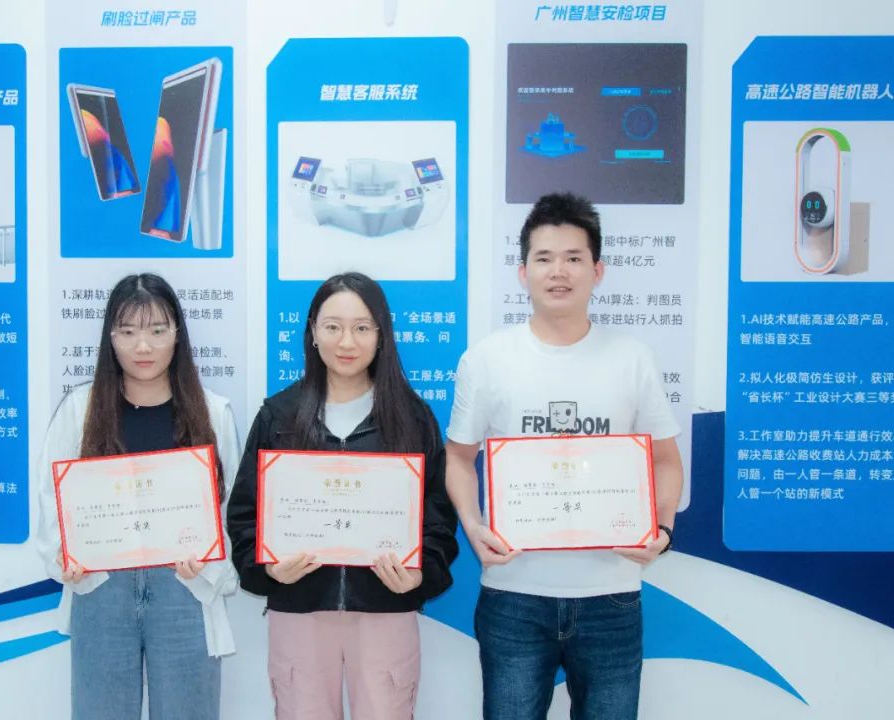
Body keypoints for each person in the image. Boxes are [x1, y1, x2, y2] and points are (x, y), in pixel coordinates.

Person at [445, 193, 683, 720]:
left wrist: (663, 530)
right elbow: (458, 458)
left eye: (574, 258)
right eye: (544, 258)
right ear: (522, 271)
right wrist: (474, 526)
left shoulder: (633, 359)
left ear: (597, 271)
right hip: (513, 593)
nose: (559, 271)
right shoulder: (487, 360)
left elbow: (666, 460)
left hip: (611, 595)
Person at [226, 272, 458, 720]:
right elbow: (244, 515)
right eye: (332, 326)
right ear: (312, 332)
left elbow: (438, 518)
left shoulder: (412, 419)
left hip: (385, 608)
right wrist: (267, 567)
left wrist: (419, 574)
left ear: (381, 335)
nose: (346, 341)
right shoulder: (279, 416)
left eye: (362, 327)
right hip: (301, 608)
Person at [36, 273, 239, 720]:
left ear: (177, 334)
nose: (142, 346)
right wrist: (68, 558)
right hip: (101, 588)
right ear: (110, 337)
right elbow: (53, 501)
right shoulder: (80, 410)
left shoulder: (212, 413)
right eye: (127, 332)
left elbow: (230, 512)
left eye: (157, 331)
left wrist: (207, 565)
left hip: (185, 588)